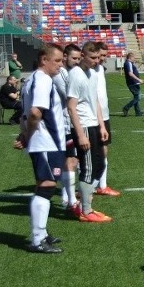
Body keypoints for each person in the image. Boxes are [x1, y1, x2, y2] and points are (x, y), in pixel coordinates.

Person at [13, 44, 66, 253]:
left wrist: (24, 133)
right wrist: (27, 134)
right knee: (46, 186)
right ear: (44, 59)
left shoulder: (31, 80)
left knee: (43, 186)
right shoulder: (43, 80)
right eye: (57, 61)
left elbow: (25, 114)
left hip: (44, 141)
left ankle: (42, 234)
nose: (60, 66)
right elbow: (35, 113)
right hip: (46, 142)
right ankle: (37, 239)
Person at [66, 41, 111, 222]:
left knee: (99, 165)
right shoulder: (76, 75)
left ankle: (86, 203)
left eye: (97, 57)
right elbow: (71, 107)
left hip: (94, 124)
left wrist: (101, 126)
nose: (96, 61)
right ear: (83, 56)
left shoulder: (92, 73)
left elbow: (96, 102)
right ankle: (86, 210)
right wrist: (80, 134)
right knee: (88, 169)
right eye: (92, 57)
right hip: (83, 126)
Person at [54, 43, 81, 216]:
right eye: (74, 58)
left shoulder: (66, 73)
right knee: (69, 161)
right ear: (65, 57)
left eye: (79, 58)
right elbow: (69, 97)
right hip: (63, 123)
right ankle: (68, 199)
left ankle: (68, 196)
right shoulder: (59, 75)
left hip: (69, 122)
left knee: (73, 160)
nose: (77, 62)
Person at [94, 42, 120, 197]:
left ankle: (102, 185)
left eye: (104, 55)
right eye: (100, 55)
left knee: (104, 149)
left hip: (104, 115)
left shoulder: (100, 69)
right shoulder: (87, 71)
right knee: (86, 152)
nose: (102, 59)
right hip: (93, 117)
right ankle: (86, 185)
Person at [122, 52, 144, 116]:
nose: (134, 59)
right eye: (133, 57)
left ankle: (138, 112)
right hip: (132, 82)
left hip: (133, 82)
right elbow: (130, 73)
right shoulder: (128, 63)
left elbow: (133, 70)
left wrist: (139, 64)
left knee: (136, 97)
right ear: (130, 57)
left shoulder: (129, 63)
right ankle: (126, 108)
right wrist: (139, 80)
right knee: (138, 97)